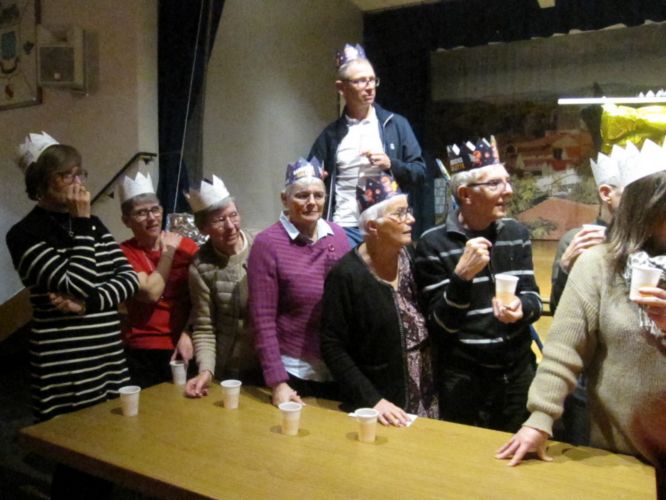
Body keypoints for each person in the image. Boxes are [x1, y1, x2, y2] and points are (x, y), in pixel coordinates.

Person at [496, 139, 666, 481]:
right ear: (644, 211)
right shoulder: (599, 265)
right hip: (620, 454)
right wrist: (539, 420)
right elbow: (564, 349)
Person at [6, 132, 139, 498]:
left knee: (108, 454)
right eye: (66, 175)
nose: (78, 182)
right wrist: (81, 223)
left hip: (107, 359)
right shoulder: (25, 233)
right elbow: (77, 281)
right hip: (66, 365)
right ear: (41, 182)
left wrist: (88, 305)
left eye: (80, 173)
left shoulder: (93, 225)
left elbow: (128, 279)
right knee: (76, 458)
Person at [414, 137, 542, 433]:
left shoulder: (516, 233)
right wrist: (462, 277)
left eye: (507, 181)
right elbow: (439, 327)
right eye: (495, 183)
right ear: (465, 194)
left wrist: (521, 307)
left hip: (518, 374)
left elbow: (534, 298)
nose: (508, 190)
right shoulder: (433, 244)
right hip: (465, 381)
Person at [322, 174, 438, 426]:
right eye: (400, 214)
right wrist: (373, 400)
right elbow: (332, 347)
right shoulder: (346, 275)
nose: (411, 219)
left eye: (408, 211)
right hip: (382, 405)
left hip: (427, 393)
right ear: (373, 226)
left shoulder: (410, 257)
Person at [248, 157, 350, 406]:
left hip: (336, 366)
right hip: (294, 371)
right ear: (285, 199)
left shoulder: (338, 235)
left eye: (318, 195)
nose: (312, 202)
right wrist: (277, 382)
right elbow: (262, 318)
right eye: (302, 196)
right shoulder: (267, 244)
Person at [309, 43, 426, 247]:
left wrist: (391, 164)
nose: (370, 86)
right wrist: (317, 178)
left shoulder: (395, 125)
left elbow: (420, 173)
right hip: (344, 227)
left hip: (387, 225)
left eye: (372, 80)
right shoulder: (330, 135)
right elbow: (308, 177)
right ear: (341, 88)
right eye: (361, 81)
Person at [548, 145, 626, 445]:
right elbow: (559, 313)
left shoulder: (651, 240)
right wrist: (567, 268)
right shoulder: (576, 239)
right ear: (606, 193)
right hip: (584, 380)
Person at [118, 172, 197, 388]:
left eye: (155, 209)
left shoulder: (187, 247)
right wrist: (168, 252)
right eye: (141, 213)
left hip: (184, 343)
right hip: (143, 348)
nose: (152, 218)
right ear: (126, 220)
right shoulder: (123, 252)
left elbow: (202, 297)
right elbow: (150, 293)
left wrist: (188, 331)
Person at [184, 175, 261, 397]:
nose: (230, 226)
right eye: (219, 220)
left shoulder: (262, 245)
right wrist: (205, 371)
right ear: (203, 228)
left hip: (268, 366)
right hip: (229, 370)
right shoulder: (201, 266)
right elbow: (204, 326)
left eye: (233, 215)